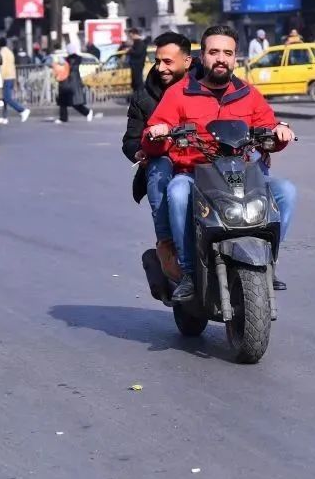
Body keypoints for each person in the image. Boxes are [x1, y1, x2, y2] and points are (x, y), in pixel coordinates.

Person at [142, 25, 297, 301]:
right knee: (177, 192)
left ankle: (266, 264)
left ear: (235, 58)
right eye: (214, 52)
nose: (221, 59)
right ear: (202, 56)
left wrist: (280, 133)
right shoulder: (179, 93)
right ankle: (188, 273)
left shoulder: (248, 94)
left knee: (286, 191)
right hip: (194, 175)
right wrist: (158, 133)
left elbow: (270, 129)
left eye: (228, 53)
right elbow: (152, 133)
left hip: (242, 174)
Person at [122, 32, 194, 281]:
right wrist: (139, 151)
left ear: (187, 62)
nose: (161, 67)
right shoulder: (144, 96)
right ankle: (166, 244)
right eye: (158, 61)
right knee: (158, 170)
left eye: (168, 61)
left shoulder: (205, 86)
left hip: (202, 159)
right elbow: (130, 140)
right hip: (162, 159)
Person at [55, 43, 95, 123]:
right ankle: (63, 118)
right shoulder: (68, 58)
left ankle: (87, 112)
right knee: (63, 101)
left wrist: (64, 63)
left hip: (73, 82)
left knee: (74, 102)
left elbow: (72, 68)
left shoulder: (77, 58)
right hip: (67, 81)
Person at [0, 37, 31, 123]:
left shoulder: (1, 53)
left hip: (5, 77)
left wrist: (0, 79)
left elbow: (2, 67)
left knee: (7, 98)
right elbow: (13, 66)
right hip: (11, 76)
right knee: (4, 98)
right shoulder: (10, 52)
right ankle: (4, 117)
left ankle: (22, 110)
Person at [127, 28, 148, 94]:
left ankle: (140, 97)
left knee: (138, 82)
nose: (130, 38)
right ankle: (137, 96)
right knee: (135, 82)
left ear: (134, 34)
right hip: (134, 65)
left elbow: (137, 53)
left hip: (138, 65)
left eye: (131, 36)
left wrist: (130, 51)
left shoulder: (140, 43)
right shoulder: (136, 43)